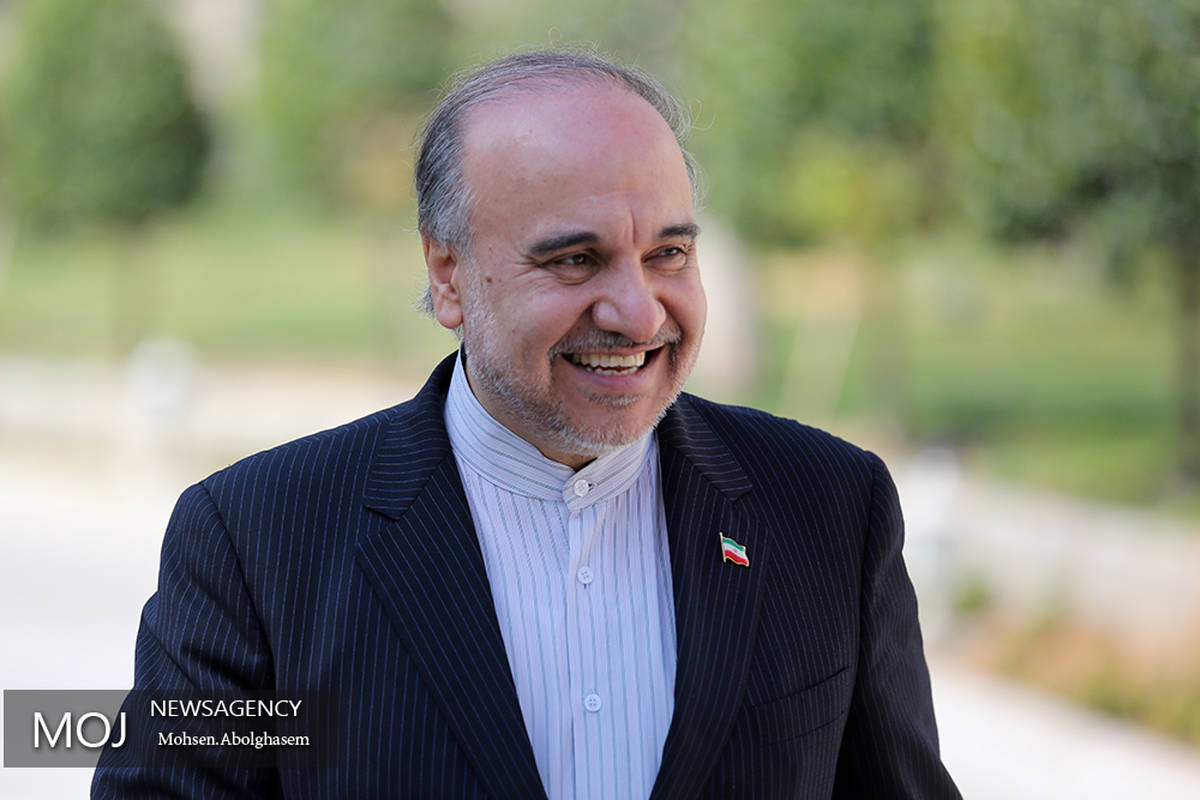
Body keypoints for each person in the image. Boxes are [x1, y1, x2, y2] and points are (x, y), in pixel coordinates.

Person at [94, 49, 961, 799]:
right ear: (448, 275)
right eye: (576, 259)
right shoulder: (257, 542)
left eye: (668, 253)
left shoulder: (830, 509)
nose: (637, 312)